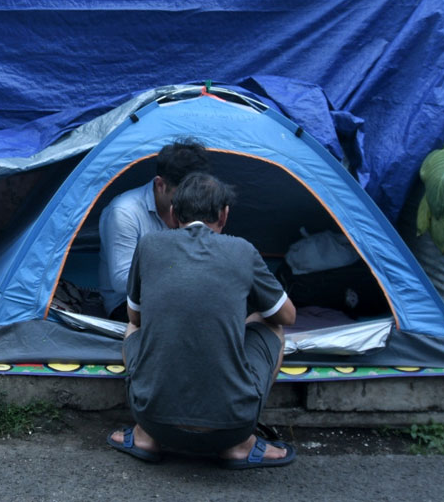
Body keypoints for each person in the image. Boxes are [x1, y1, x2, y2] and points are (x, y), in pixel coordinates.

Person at [107, 172, 297, 469]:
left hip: (154, 419)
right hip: (231, 425)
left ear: (173, 214)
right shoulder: (243, 250)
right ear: (224, 215)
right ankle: (242, 444)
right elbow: (288, 315)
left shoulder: (149, 246)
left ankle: (143, 435)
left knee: (134, 327)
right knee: (271, 323)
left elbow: (135, 317)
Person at [97, 140, 210, 320]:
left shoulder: (194, 203)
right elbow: (121, 281)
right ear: (160, 185)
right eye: (179, 195)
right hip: (127, 304)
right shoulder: (125, 212)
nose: (187, 203)